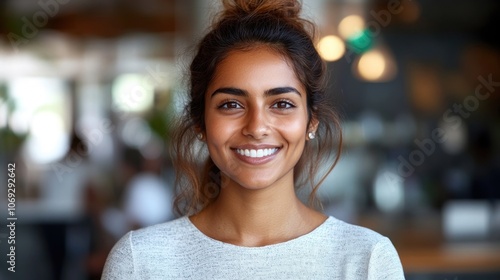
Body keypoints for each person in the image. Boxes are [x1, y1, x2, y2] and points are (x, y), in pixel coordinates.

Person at [101, 0, 405, 279]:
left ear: (311, 120)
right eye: (231, 104)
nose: (257, 127)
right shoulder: (140, 261)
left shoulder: (366, 260)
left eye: (282, 104)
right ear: (200, 123)